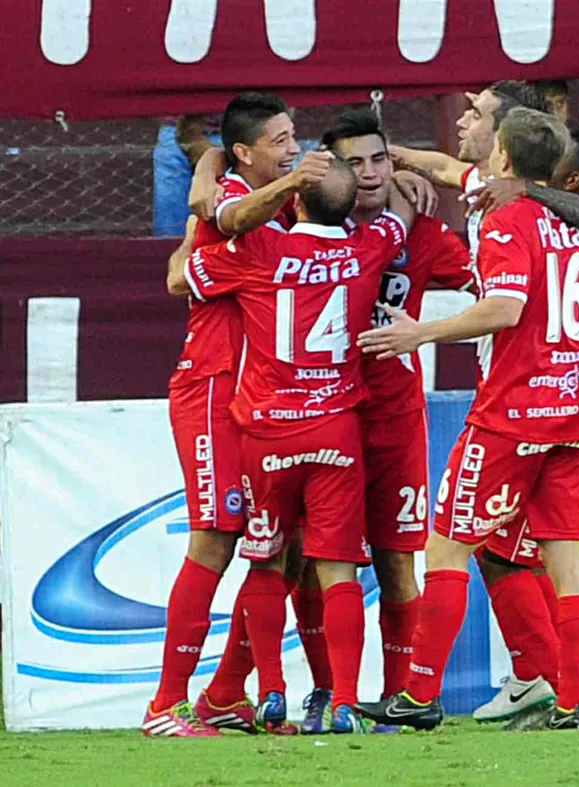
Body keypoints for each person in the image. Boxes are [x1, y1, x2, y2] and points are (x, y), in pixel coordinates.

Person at [356, 108, 579, 731]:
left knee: (448, 546)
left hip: (512, 413)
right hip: (577, 409)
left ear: (504, 160)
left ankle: (420, 697)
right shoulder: (575, 224)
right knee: (566, 562)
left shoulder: (508, 221)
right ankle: (572, 706)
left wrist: (419, 334)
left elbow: (504, 309)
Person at [169, 157, 415, 734]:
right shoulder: (367, 250)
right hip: (336, 428)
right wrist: (404, 182)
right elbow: (398, 221)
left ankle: (272, 691)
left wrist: (187, 237)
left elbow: (185, 277)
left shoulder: (261, 250)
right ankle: (347, 702)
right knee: (337, 571)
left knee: (268, 559)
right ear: (349, 209)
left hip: (268, 432)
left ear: (296, 204)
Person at [143, 92, 333, 738]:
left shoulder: (273, 212)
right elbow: (181, 274)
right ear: (248, 154)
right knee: (216, 537)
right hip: (212, 390)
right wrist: (216, 168)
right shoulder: (236, 208)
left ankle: (226, 693)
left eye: (294, 135)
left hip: (265, 401)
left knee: (281, 546)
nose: (293, 148)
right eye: (280, 140)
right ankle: (165, 705)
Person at [290, 108, 476, 734]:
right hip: (321, 414)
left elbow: (494, 280)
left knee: (400, 561)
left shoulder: (420, 232)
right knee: (315, 561)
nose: (369, 175)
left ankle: (398, 699)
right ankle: (325, 689)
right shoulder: (301, 226)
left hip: (395, 417)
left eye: (379, 160)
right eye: (355, 163)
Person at [473, 129, 579, 732]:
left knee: (514, 555)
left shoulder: (561, 224)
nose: (477, 133)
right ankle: (546, 685)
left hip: (564, 403)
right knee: (524, 553)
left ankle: (577, 697)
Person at [388, 80, 579, 263]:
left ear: (504, 131)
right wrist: (377, 154)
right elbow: (442, 167)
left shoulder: (543, 188)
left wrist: (526, 189)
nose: (462, 122)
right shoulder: (482, 178)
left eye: (477, 115)